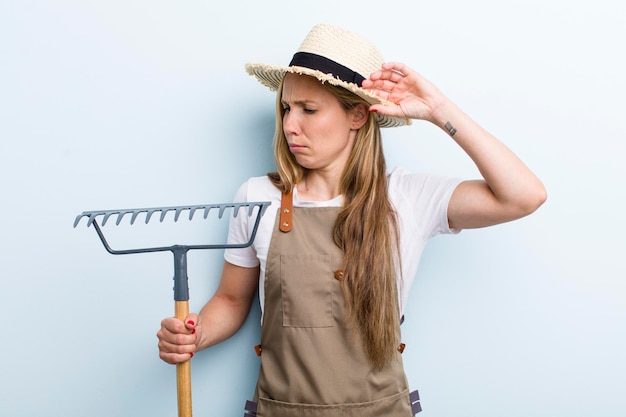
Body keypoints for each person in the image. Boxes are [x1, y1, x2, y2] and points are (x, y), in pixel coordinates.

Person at [156, 24, 546, 416]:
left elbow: (524, 196)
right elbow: (230, 299)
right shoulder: (259, 198)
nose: (291, 125)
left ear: (357, 115)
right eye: (287, 108)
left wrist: (438, 109)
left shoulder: (406, 198)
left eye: (309, 110)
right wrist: (197, 333)